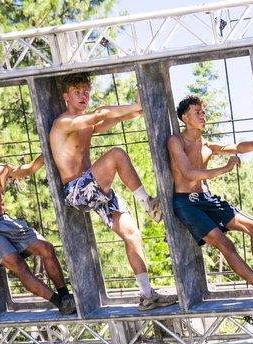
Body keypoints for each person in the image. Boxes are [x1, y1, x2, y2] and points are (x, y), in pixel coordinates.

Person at [48, 73, 176, 311]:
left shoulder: (85, 125)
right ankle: (148, 204)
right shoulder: (63, 123)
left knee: (132, 234)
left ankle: (147, 295)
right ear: (66, 96)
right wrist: (135, 106)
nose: (83, 96)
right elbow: (99, 114)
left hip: (95, 187)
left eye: (86, 91)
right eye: (77, 92)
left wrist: (139, 109)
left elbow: (111, 120)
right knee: (116, 154)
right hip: (76, 190)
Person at [0, 89, 76, 315]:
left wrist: (51, 147)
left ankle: (65, 294)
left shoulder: (4, 169)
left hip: (4, 222)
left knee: (46, 248)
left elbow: (30, 169)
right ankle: (58, 302)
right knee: (19, 265)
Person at [168, 94, 253, 306]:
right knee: (226, 244)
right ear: (185, 118)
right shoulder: (175, 141)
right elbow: (187, 173)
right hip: (187, 204)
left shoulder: (207, 145)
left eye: (203, 112)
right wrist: (224, 169)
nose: (203, 116)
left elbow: (238, 147)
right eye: (197, 113)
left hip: (206, 199)